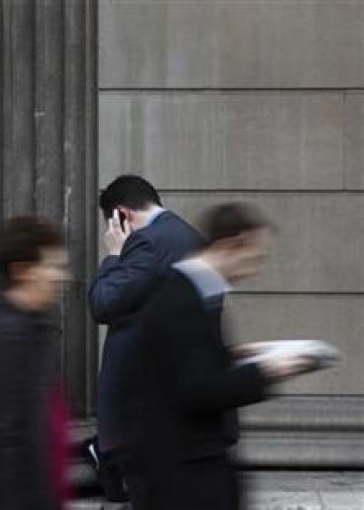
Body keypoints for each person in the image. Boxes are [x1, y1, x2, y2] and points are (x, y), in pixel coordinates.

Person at [117, 203, 312, 510]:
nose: (255, 269)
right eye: (254, 258)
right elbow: (198, 388)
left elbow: (183, 364)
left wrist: (234, 356)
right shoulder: (183, 300)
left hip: (189, 471)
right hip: (183, 477)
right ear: (230, 245)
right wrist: (269, 371)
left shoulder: (188, 291)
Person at [87, 175, 204, 501]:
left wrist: (113, 254)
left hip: (141, 407)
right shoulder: (190, 237)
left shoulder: (147, 242)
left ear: (121, 216)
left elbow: (103, 302)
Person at [0, 217, 71, 510]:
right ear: (21, 271)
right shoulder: (11, 334)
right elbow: (9, 441)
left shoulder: (28, 329)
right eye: (52, 266)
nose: (61, 277)